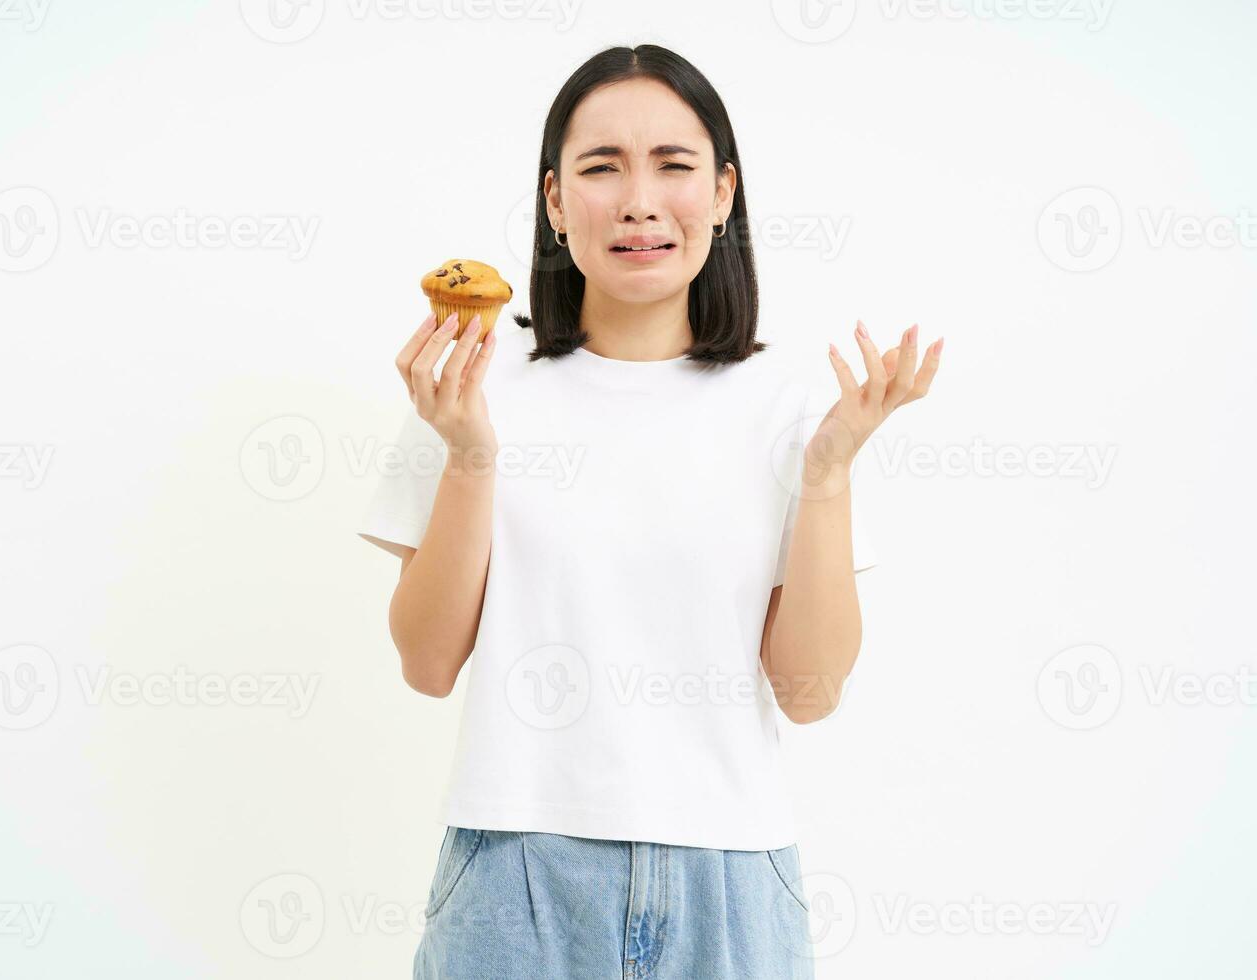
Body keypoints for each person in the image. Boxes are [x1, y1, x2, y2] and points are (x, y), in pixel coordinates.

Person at [359, 43, 941, 979]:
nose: (638, 200)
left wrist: (826, 474)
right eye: (601, 168)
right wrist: (471, 452)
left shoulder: (788, 411)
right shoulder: (469, 383)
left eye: (674, 165)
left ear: (721, 193)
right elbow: (428, 665)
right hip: (515, 875)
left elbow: (811, 692)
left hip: (731, 881)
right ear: (553, 202)